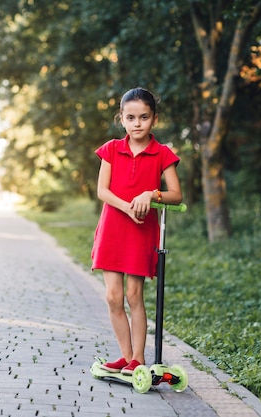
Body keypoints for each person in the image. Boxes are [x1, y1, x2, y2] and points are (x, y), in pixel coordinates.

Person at [91, 87, 182, 376]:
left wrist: (150, 194)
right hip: (112, 228)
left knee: (133, 295)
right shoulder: (111, 149)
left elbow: (176, 195)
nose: (137, 123)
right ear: (122, 119)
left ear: (154, 119)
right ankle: (126, 356)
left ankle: (139, 358)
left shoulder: (162, 153)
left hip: (141, 232)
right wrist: (127, 207)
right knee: (113, 297)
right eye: (131, 117)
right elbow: (102, 191)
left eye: (144, 117)